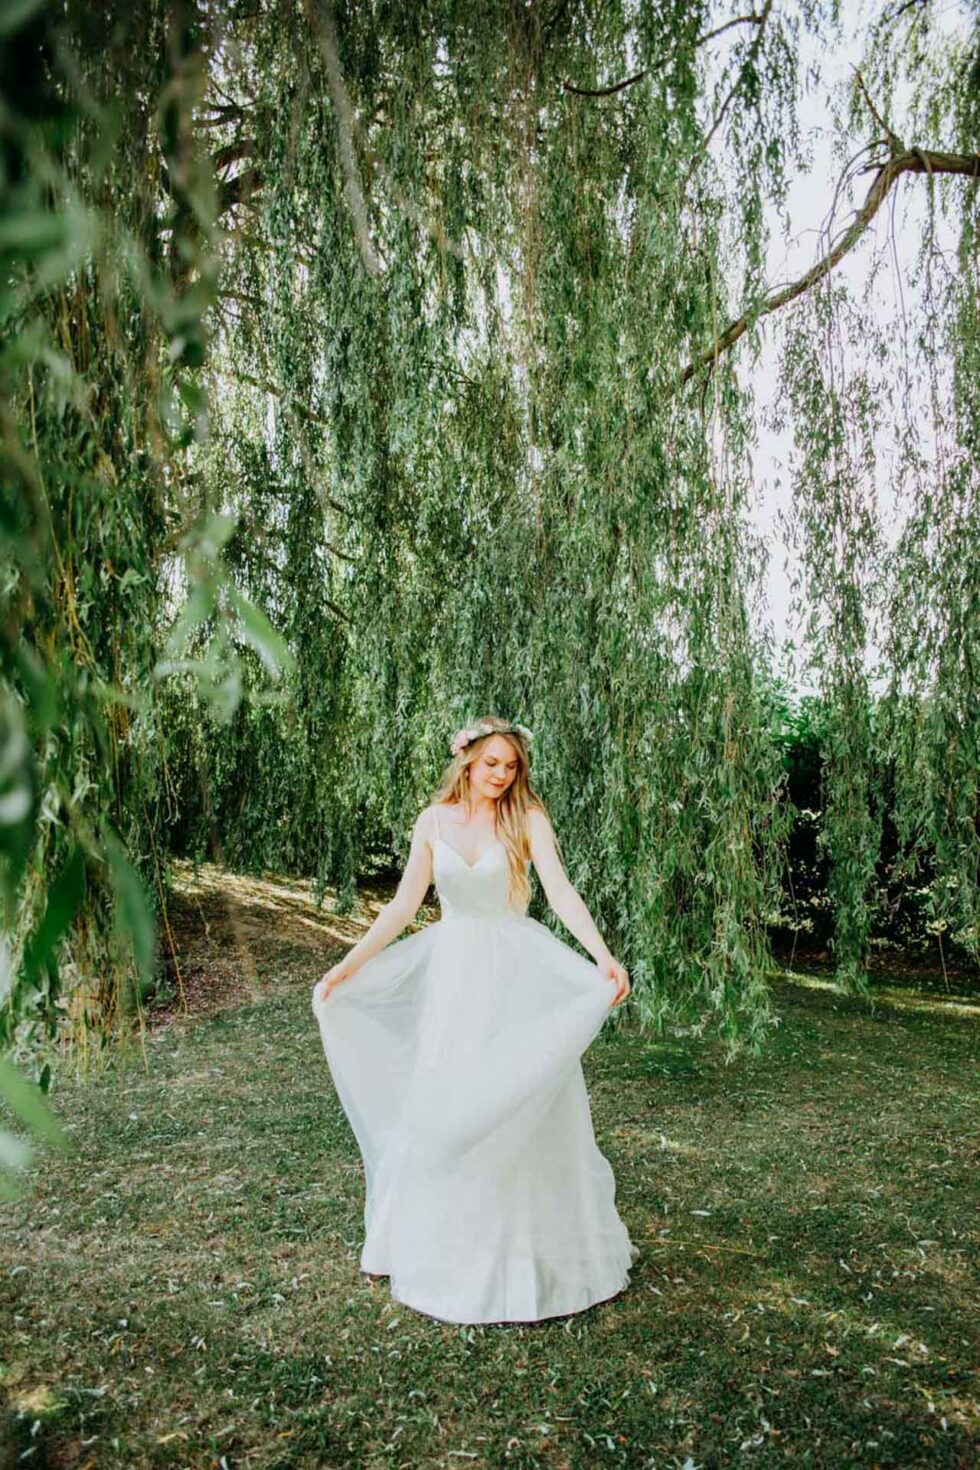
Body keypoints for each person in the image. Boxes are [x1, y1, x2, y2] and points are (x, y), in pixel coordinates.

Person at [311, 714, 639, 1324]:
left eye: (511, 766)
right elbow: (403, 905)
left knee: (513, 1098)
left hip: (512, 972)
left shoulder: (526, 819)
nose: (501, 775)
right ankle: (433, 1240)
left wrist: (602, 955)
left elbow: (561, 892)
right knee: (445, 1099)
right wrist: (348, 965)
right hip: (452, 979)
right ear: (466, 759)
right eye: (491, 763)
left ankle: (521, 1252)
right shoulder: (433, 822)